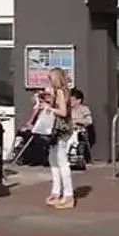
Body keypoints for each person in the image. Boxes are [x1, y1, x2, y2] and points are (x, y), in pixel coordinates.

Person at [34, 69, 76, 209]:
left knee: (62, 161)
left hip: (60, 129)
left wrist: (49, 108)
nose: (49, 81)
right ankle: (56, 191)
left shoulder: (60, 91)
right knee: (53, 160)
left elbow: (63, 112)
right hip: (56, 129)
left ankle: (68, 195)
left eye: (50, 78)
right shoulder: (58, 91)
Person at [68, 87, 95, 170]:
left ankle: (74, 159)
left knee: (73, 137)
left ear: (78, 100)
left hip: (79, 130)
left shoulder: (84, 109)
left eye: (72, 100)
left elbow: (89, 121)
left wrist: (77, 122)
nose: (70, 102)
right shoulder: (69, 110)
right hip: (69, 130)